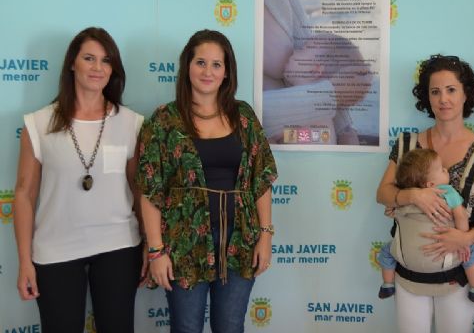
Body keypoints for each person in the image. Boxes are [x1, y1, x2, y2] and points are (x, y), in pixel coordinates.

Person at [137, 29, 277, 333]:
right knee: (186, 327)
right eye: (201, 62)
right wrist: (156, 251)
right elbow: (150, 191)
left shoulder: (244, 116)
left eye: (217, 64)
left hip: (240, 240)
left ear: (227, 72)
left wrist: (265, 234)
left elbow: (261, 179)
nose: (208, 71)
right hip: (183, 243)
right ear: (187, 65)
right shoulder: (163, 121)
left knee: (230, 326)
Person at [13, 27, 145, 333]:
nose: (98, 68)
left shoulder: (131, 123)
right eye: (89, 58)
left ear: (113, 69)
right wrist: (24, 262)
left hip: (119, 247)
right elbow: (23, 194)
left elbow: (139, 190)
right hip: (56, 249)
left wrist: (149, 246)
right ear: (72, 63)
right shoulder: (39, 123)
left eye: (106, 60)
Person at [376, 54, 474, 333]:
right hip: (409, 270)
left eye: (451, 90)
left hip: (458, 272)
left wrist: (466, 237)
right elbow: (383, 193)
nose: (443, 99)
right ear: (427, 97)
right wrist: (412, 196)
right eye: (435, 91)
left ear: (466, 94)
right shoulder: (407, 143)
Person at [377, 148, 474, 307]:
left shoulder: (404, 194)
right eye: (442, 169)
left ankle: (387, 284)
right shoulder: (448, 192)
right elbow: (460, 216)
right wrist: (463, 239)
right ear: (430, 184)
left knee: (386, 252)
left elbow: (391, 211)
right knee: (471, 254)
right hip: (446, 259)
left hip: (407, 260)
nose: (447, 170)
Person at [280, 33, 372, 145]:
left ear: (316, 70)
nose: (294, 51)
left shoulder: (314, 114)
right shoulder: (321, 113)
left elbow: (307, 140)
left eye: (302, 49)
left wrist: (275, 137)